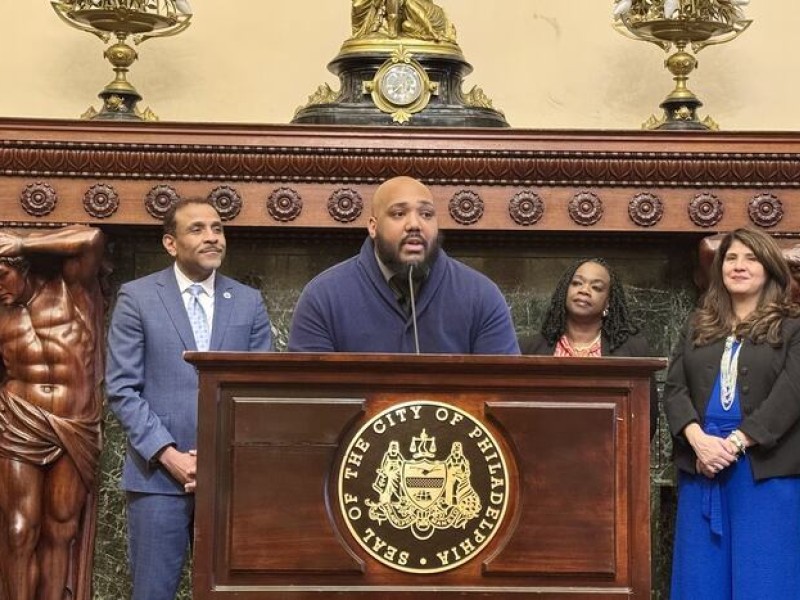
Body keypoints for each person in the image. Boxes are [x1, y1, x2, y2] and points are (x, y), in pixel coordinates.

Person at [105, 198, 272, 600]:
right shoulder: (137, 297)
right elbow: (122, 388)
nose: (212, 237)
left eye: (218, 228)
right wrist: (170, 456)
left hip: (231, 481)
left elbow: (261, 391)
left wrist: (219, 459)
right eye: (197, 229)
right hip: (158, 479)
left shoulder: (248, 301)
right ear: (170, 243)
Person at [663, 228, 800, 599]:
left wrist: (735, 442)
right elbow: (674, 389)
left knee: (765, 577)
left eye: (751, 258)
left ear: (770, 269)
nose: (739, 266)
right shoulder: (697, 324)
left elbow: (791, 395)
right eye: (731, 258)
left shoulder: (793, 328)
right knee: (700, 578)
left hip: (765, 471)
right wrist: (699, 441)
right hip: (703, 466)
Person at [288, 175, 519, 355]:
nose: (415, 224)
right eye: (399, 214)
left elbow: (505, 392)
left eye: (426, 214)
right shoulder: (322, 297)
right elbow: (309, 395)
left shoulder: (482, 295)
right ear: (373, 227)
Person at [0, 225, 104, 600]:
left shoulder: (70, 289)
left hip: (73, 423)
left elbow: (92, 239)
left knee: (61, 529)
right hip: (18, 421)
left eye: (2, 275)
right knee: (18, 530)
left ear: (20, 265)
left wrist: (21, 242)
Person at [519, 257, 658, 438]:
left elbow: (646, 421)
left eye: (596, 287)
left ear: (608, 302)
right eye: (577, 283)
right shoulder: (529, 348)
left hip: (609, 450)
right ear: (564, 291)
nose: (584, 290)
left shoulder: (633, 350)